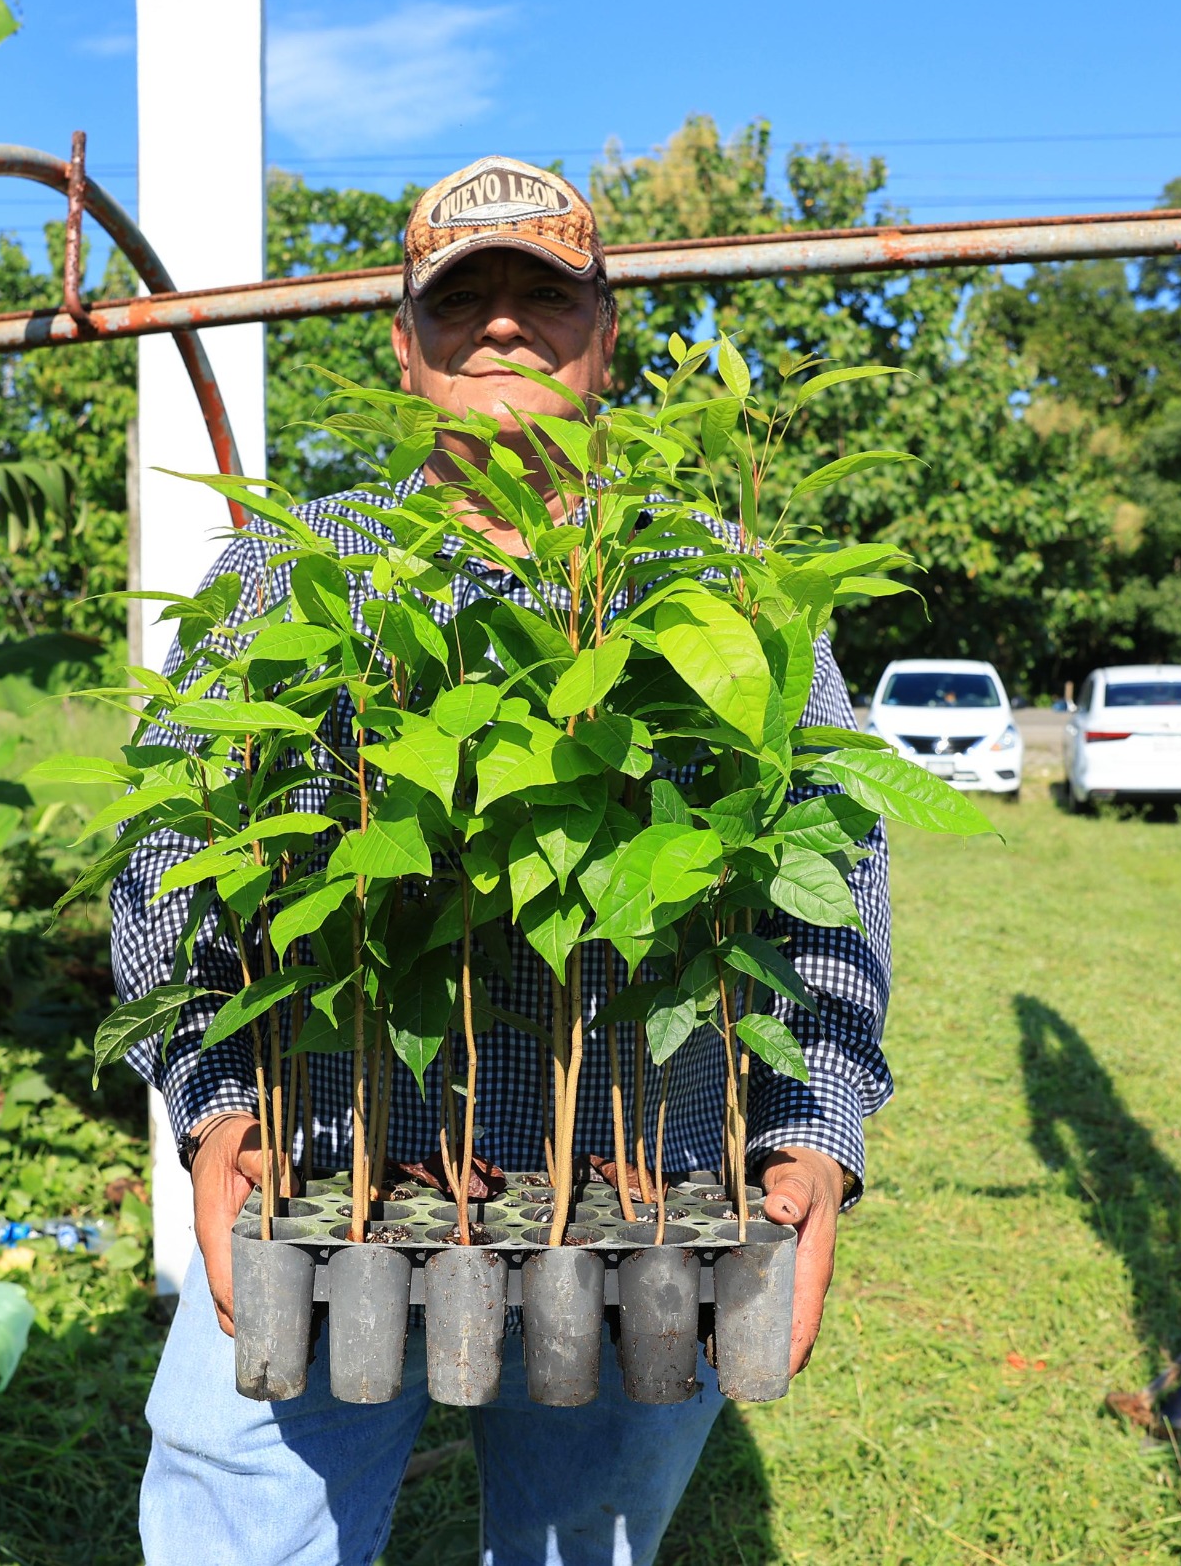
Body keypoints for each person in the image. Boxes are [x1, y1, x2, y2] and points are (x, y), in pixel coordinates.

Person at [108, 156, 895, 1564]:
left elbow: (833, 872)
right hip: (331, 1176)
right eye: (463, 299)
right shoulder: (295, 569)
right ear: (403, 345)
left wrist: (812, 1134)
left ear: (608, 336)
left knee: (581, 1546)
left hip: (644, 1196)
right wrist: (220, 1109)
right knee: (235, 1529)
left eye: (547, 293)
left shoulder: (720, 580)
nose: (506, 324)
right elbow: (171, 850)